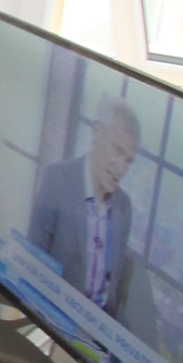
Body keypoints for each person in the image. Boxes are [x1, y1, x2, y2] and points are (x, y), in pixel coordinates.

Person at [27, 99, 143, 323]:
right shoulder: (57, 179)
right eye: (117, 150)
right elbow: (32, 264)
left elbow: (116, 292)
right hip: (54, 320)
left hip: (98, 335)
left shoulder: (124, 207)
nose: (121, 167)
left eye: (128, 160)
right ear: (97, 133)